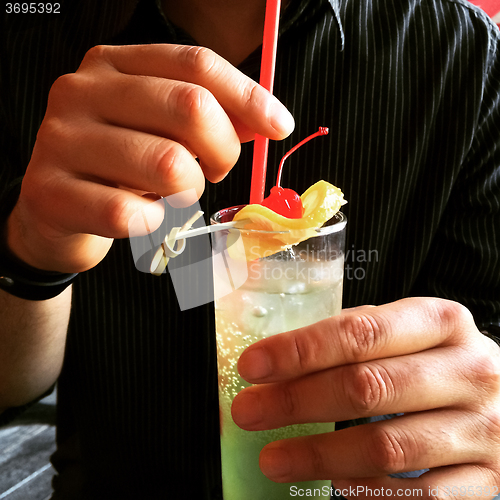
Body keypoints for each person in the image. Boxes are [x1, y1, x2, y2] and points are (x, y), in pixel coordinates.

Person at [0, 0, 499, 498]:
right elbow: (8, 389)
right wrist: (33, 247)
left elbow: (485, 354)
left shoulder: (467, 58)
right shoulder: (27, 38)